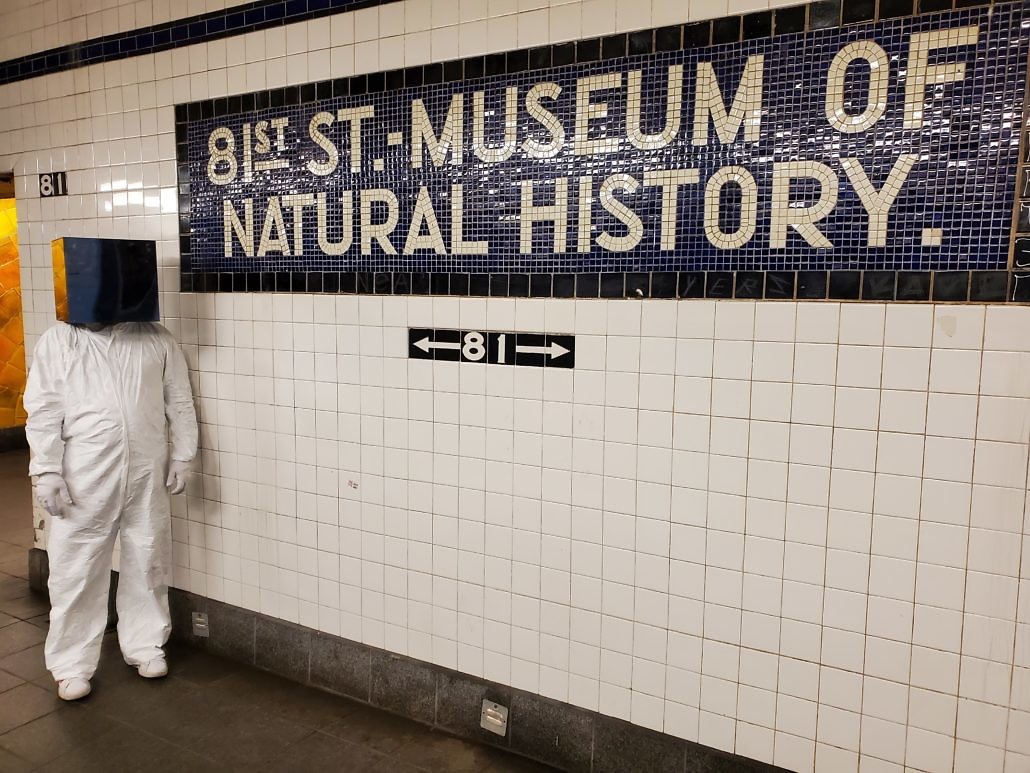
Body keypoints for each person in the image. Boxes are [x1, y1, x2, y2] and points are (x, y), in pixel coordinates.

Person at [23, 320, 198, 701]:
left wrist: (184, 454)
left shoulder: (154, 337)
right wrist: (47, 469)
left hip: (146, 471)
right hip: (85, 475)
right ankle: (71, 665)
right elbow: (44, 408)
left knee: (148, 556)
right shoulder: (61, 339)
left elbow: (178, 399)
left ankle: (146, 645)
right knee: (76, 569)